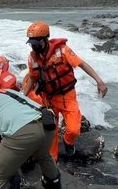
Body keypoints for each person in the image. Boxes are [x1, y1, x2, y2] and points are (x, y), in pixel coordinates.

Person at [22, 21, 108, 160]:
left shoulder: (62, 51)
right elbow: (32, 78)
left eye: (36, 43)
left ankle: (68, 142)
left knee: (74, 129)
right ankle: (53, 160)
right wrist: (22, 96)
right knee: (51, 131)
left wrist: (99, 81)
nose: (34, 46)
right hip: (48, 99)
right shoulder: (32, 58)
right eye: (32, 43)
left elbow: (82, 64)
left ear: (45, 39)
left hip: (67, 96)